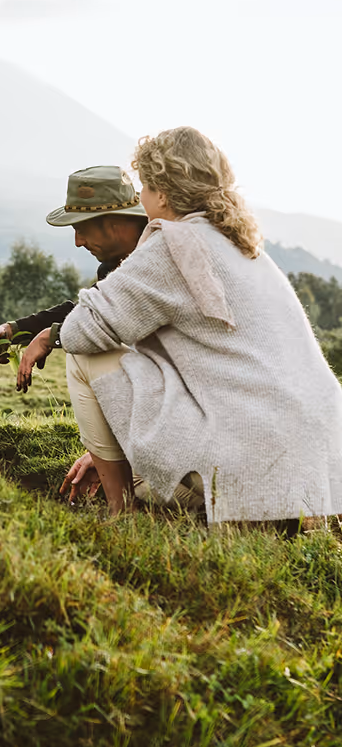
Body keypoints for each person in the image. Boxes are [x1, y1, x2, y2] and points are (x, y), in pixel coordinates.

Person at [39, 127, 342, 522]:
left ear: (162, 193)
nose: (141, 198)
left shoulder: (173, 244)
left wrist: (49, 334)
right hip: (319, 459)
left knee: (82, 355)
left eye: (145, 186)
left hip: (251, 454)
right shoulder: (244, 246)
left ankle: (119, 513)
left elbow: (82, 329)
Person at [0, 165, 148, 375]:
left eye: (82, 230)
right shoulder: (115, 265)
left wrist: (52, 336)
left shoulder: (157, 255)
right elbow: (86, 310)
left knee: (83, 357)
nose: (78, 242)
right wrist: (11, 331)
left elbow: (113, 318)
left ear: (114, 224)